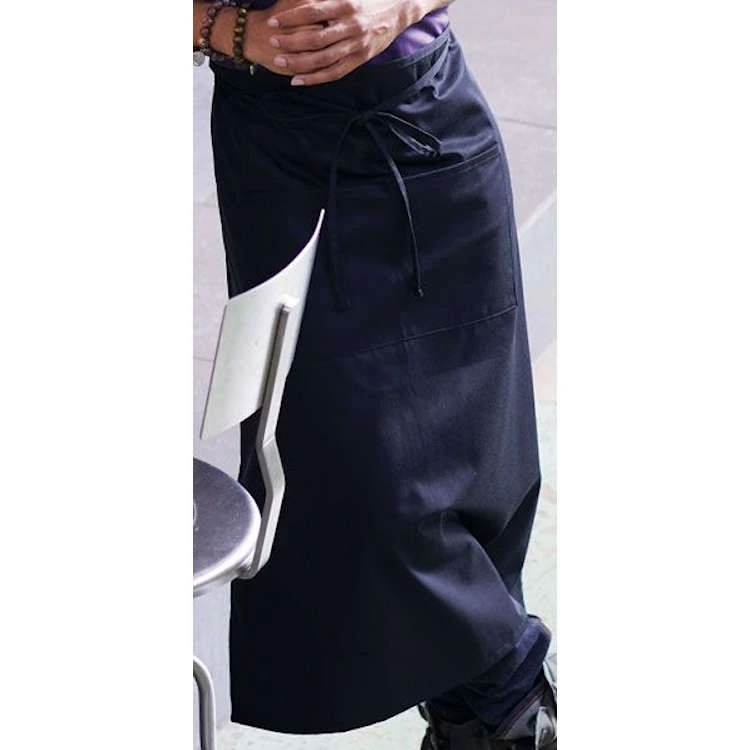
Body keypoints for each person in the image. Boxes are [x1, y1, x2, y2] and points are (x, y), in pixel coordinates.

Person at [193, 1, 556, 748]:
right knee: (346, 474)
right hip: (281, 161)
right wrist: (222, 29)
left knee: (476, 478)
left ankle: (490, 713)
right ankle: (510, 695)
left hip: (431, 127)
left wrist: (399, 7)